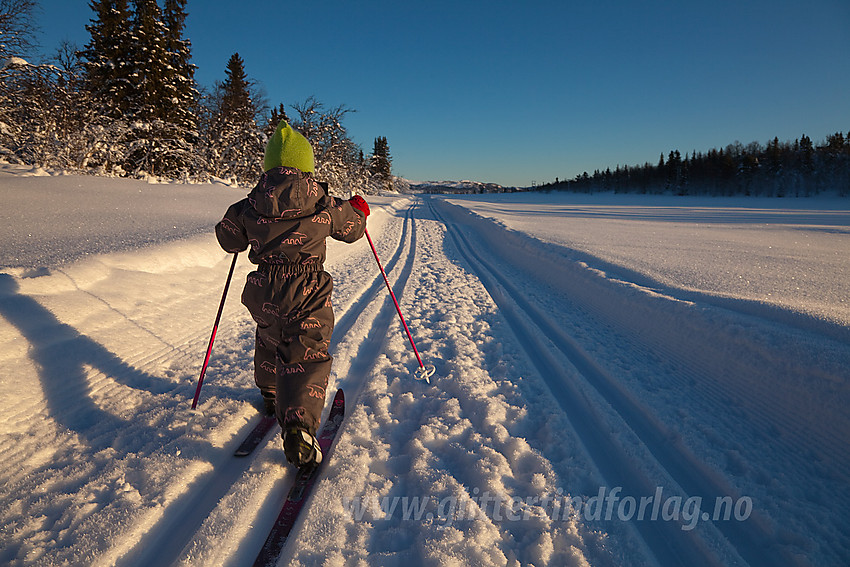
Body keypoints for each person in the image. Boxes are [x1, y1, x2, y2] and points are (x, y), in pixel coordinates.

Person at [215, 120, 369, 467]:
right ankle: (299, 426)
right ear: (307, 166)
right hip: (307, 288)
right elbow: (352, 229)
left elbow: (229, 239)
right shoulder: (324, 201)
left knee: (270, 336)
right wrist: (359, 210)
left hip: (263, 286)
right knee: (305, 349)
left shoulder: (250, 203)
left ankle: (271, 393)